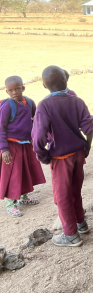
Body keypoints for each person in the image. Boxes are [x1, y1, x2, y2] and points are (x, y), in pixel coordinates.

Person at [32, 66, 93, 247]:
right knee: (75, 191)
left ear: (44, 85)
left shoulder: (44, 105)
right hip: (78, 153)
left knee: (62, 197)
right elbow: (89, 127)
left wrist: (43, 156)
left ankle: (71, 235)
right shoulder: (76, 100)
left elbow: (38, 138)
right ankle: (81, 223)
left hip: (60, 158)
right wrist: (88, 146)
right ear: (66, 79)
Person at [0, 76, 45, 217]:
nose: (14, 92)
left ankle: (23, 198)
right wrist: (4, 149)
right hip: (11, 146)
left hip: (26, 144)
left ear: (23, 88)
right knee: (13, 174)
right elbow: (0, 128)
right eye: (10, 90)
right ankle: (11, 204)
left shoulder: (30, 103)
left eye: (17, 89)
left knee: (25, 171)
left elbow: (35, 121)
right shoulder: (7, 106)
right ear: (7, 91)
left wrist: (35, 138)